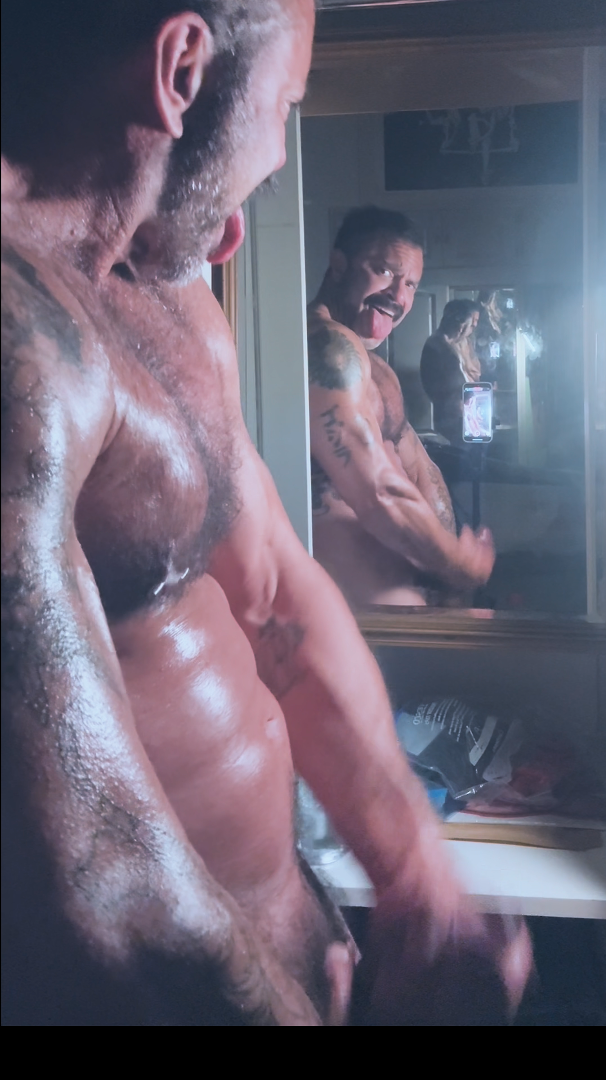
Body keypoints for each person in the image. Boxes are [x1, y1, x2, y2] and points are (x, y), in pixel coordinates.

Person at [2, 3, 531, 1026]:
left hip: (294, 950)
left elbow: (277, 588)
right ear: (181, 69)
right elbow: (100, 876)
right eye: (286, 105)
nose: (279, 155)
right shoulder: (20, 346)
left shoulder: (167, 293)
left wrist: (417, 878)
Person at [307, 207, 495, 609]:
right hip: (359, 613)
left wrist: (447, 577)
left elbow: (416, 465)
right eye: (385, 271)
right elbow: (377, 492)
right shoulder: (327, 350)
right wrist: (456, 565)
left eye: (410, 283)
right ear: (338, 265)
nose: (399, 296)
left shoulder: (375, 368)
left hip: (414, 603)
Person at [420, 299, 483, 447]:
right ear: (461, 323)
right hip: (452, 421)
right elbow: (461, 388)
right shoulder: (439, 347)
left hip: (460, 418)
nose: (473, 327)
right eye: (471, 323)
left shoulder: (457, 345)